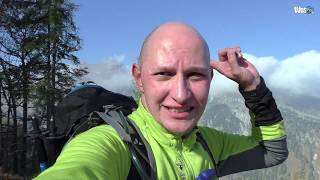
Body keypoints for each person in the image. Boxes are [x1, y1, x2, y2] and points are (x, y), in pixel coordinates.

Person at [35, 22, 288, 179]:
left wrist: (252, 86)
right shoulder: (110, 145)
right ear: (139, 78)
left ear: (211, 78)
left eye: (195, 75)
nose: (180, 94)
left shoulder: (210, 143)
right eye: (164, 74)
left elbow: (272, 151)